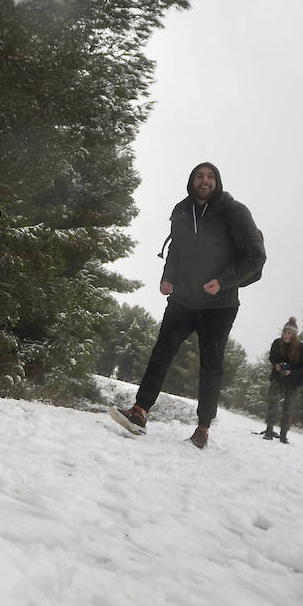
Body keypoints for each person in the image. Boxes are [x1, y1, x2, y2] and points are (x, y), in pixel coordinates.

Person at [111, 162, 265, 449]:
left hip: (219, 305)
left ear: (217, 181)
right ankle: (139, 412)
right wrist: (168, 278)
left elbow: (256, 257)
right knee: (161, 352)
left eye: (209, 177)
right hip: (183, 298)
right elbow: (176, 250)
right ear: (191, 181)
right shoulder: (182, 211)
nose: (204, 181)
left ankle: (203, 428)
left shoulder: (235, 212)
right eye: (199, 176)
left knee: (211, 366)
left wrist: (223, 281)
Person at [263, 317, 303, 443]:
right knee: (273, 403)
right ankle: (269, 430)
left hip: (293, 381)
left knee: (288, 408)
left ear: (294, 335)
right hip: (277, 378)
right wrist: (276, 365)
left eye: (289, 333)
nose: (286, 335)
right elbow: (272, 357)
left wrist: (292, 372)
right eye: (285, 332)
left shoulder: (302, 348)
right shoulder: (277, 343)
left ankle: (283, 435)